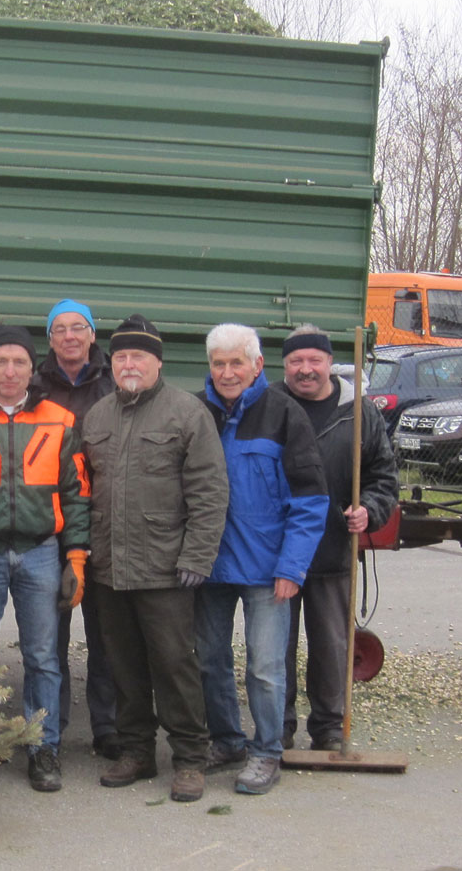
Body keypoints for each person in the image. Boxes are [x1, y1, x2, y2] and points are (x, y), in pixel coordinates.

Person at [82, 314, 227, 804]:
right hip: (108, 566)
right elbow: (84, 490)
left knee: (174, 665)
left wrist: (197, 556)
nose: (128, 364)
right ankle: (137, 751)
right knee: (122, 665)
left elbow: (209, 492)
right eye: (120, 356)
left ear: (157, 362)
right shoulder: (98, 415)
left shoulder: (187, 413)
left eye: (137, 356)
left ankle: (189, 757)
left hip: (166, 568)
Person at [0, 323, 89, 792]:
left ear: (33, 369)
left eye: (20, 362)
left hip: (40, 552)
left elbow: (76, 494)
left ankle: (42, 746)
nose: (10, 371)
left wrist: (76, 558)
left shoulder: (60, 420)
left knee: (44, 657)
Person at [197, 323, 327, 796]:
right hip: (208, 566)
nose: (227, 373)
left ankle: (267, 750)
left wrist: (292, 567)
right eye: (219, 363)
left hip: (268, 569)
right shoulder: (197, 412)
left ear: (257, 366)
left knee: (266, 667)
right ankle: (227, 740)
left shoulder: (284, 414)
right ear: (209, 366)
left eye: (237, 362)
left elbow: (311, 500)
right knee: (209, 660)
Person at [278, 325, 397, 750]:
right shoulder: (270, 405)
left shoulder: (359, 411)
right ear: (284, 365)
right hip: (278, 553)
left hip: (334, 549)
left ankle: (328, 728)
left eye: (314, 360)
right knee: (276, 648)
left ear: (330, 363)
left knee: (331, 647)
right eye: (296, 361)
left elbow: (384, 477)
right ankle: (279, 726)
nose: (305, 370)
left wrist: (370, 508)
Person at [30, 299, 120, 760]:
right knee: (52, 634)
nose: (68, 336)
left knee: (104, 634)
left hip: (103, 518)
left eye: (77, 327)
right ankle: (53, 727)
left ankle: (106, 726)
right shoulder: (34, 386)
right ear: (49, 339)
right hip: (51, 521)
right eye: (59, 329)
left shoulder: (112, 383)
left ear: (91, 335)